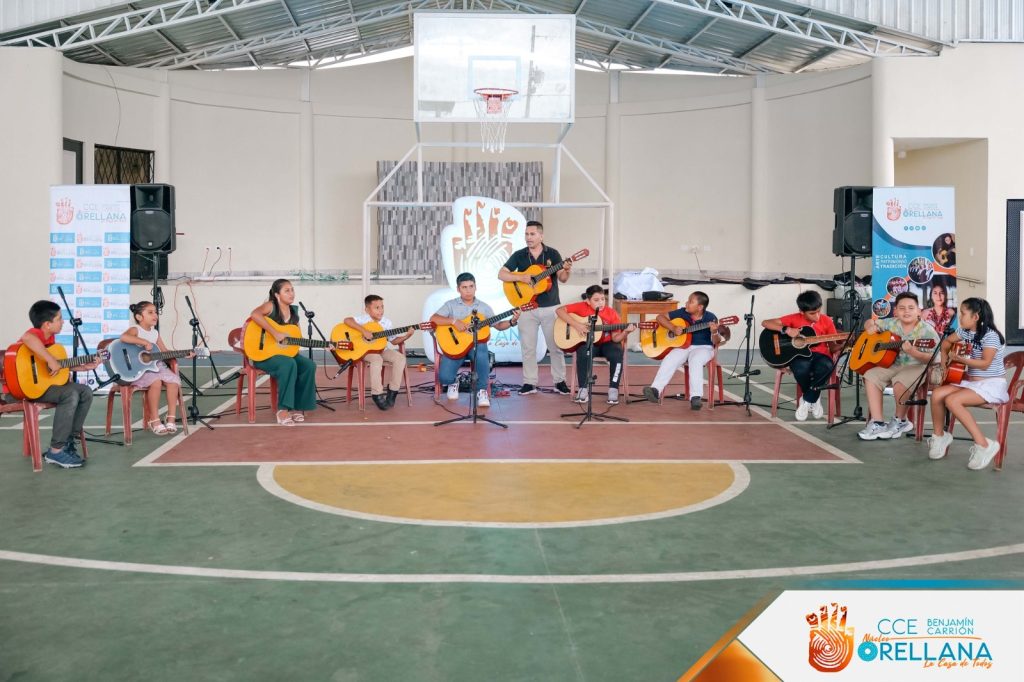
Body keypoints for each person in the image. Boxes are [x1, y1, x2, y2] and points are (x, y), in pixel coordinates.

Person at [928, 297, 1008, 470]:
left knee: (953, 400)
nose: (960, 318)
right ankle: (940, 436)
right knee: (937, 394)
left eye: (963, 314)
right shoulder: (964, 331)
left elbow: (985, 364)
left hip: (992, 384)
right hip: (971, 382)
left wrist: (960, 359)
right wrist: (944, 364)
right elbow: (946, 343)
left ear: (976, 317)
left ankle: (984, 444)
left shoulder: (990, 336)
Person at [18, 300, 101, 468]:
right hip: (28, 387)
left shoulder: (51, 339)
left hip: (46, 386)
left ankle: (68, 440)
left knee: (85, 391)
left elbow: (57, 365)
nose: (63, 322)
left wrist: (83, 366)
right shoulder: (36, 334)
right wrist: (50, 360)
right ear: (47, 324)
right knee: (69, 394)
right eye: (59, 319)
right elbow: (27, 338)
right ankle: (55, 451)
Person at [498, 220, 571, 396]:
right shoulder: (519, 255)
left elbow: (562, 278)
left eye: (532, 234)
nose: (528, 237)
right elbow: (501, 274)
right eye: (526, 234)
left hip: (550, 307)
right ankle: (529, 383)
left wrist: (567, 269)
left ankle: (559, 381)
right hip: (526, 307)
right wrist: (521, 277)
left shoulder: (553, 254)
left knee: (555, 347)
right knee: (528, 348)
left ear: (541, 236)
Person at [856, 293, 940, 440]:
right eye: (902, 308)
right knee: (870, 376)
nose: (906, 311)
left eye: (911, 308)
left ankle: (900, 421)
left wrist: (914, 352)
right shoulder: (891, 323)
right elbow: (870, 322)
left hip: (917, 366)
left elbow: (935, 359)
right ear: (895, 311)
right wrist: (870, 326)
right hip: (892, 364)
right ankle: (878, 423)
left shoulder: (927, 331)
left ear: (919, 311)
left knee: (900, 383)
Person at [430, 272, 519, 408]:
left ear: (475, 287)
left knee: (481, 347)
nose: (468, 290)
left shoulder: (484, 308)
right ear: (458, 289)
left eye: (471, 286)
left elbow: (499, 325)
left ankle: (481, 391)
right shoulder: (450, 305)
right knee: (444, 377)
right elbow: (434, 319)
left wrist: (512, 321)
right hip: (455, 347)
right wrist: (454, 321)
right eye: (464, 287)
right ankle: (453, 382)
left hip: (475, 347)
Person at [762, 291, 844, 421]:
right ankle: (814, 397)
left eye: (819, 311)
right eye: (812, 313)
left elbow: (833, 347)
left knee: (827, 366)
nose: (817, 316)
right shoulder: (794, 318)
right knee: (801, 368)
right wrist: (787, 329)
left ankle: (808, 399)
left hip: (822, 355)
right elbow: (766, 323)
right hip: (800, 356)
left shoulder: (827, 321)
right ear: (802, 312)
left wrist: (843, 345)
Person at [642, 291, 729, 410]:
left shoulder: (710, 318)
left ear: (700, 307)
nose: (686, 303)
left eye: (690, 302)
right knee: (670, 358)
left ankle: (696, 397)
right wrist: (673, 327)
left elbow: (716, 341)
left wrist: (714, 332)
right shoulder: (682, 312)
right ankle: (655, 390)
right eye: (688, 301)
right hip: (683, 346)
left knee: (695, 360)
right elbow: (660, 317)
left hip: (704, 348)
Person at [248, 279, 317, 426]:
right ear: (277, 294)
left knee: (308, 365)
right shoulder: (271, 306)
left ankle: (298, 406)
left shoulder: (294, 312)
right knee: (289, 363)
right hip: (263, 355)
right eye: (287, 290)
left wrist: (326, 345)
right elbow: (254, 314)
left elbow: (297, 338)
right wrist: (274, 333)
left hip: (284, 354)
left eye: (292, 290)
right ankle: (283, 410)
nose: (291, 293)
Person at [556, 284, 635, 405]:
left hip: (608, 344)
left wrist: (625, 332)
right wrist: (577, 325)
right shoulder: (581, 307)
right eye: (596, 300)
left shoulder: (611, 313)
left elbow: (615, 338)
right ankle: (583, 389)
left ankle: (613, 389)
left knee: (617, 352)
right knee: (582, 351)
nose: (601, 302)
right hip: (589, 343)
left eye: (603, 299)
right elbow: (559, 310)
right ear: (588, 301)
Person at [120, 300, 191, 435]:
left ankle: (171, 418)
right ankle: (154, 419)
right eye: (150, 312)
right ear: (139, 317)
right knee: (156, 382)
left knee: (173, 381)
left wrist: (184, 354)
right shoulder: (136, 329)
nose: (155, 315)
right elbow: (124, 337)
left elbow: (164, 352)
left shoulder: (155, 333)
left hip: (156, 366)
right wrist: (143, 342)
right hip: (139, 369)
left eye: (156, 312)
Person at [343, 294, 414, 411]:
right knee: (377, 359)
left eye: (382, 307)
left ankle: (393, 390)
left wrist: (407, 336)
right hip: (366, 352)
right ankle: (377, 393)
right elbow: (347, 320)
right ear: (367, 309)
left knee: (400, 358)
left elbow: (394, 341)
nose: (380, 310)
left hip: (382, 350)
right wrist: (364, 331)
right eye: (377, 308)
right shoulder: (363, 320)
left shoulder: (387, 323)